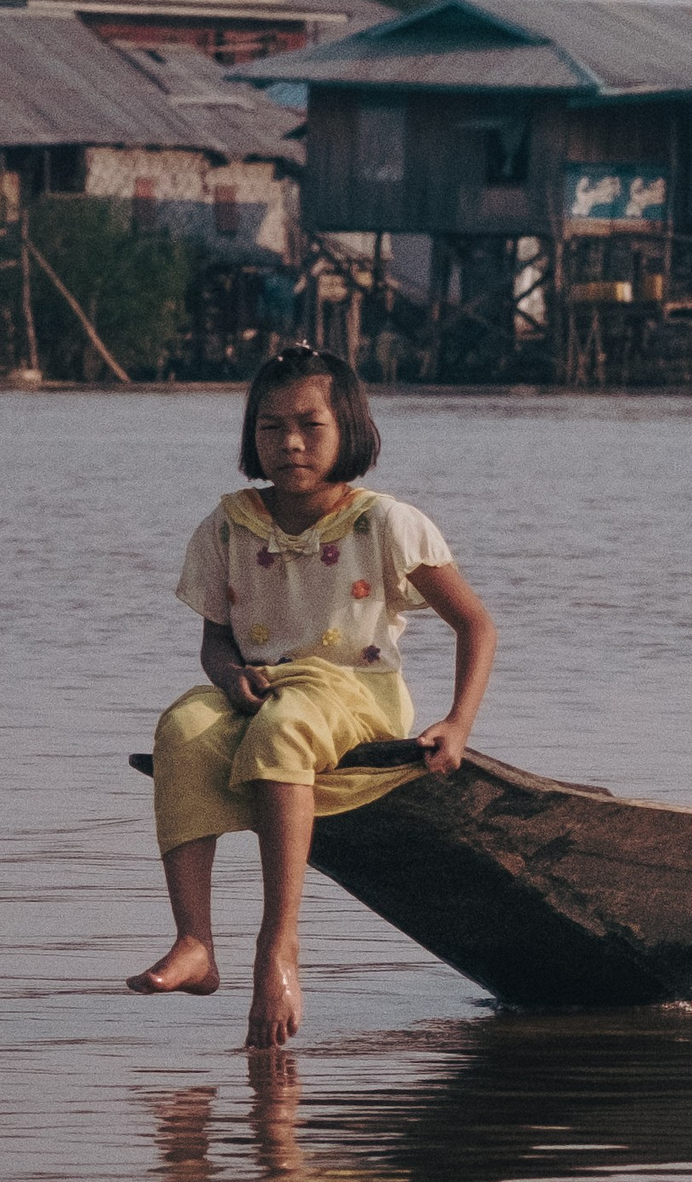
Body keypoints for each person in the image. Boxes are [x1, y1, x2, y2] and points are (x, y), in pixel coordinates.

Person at [131, 346, 496, 1049]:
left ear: (347, 429)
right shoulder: (230, 523)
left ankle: (280, 945)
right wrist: (226, 675)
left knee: (285, 726)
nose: (290, 442)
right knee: (180, 726)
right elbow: (215, 639)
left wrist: (456, 722)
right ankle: (195, 939)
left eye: (310, 424)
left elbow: (476, 625)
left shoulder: (384, 521)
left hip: (356, 693)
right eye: (270, 427)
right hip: (264, 687)